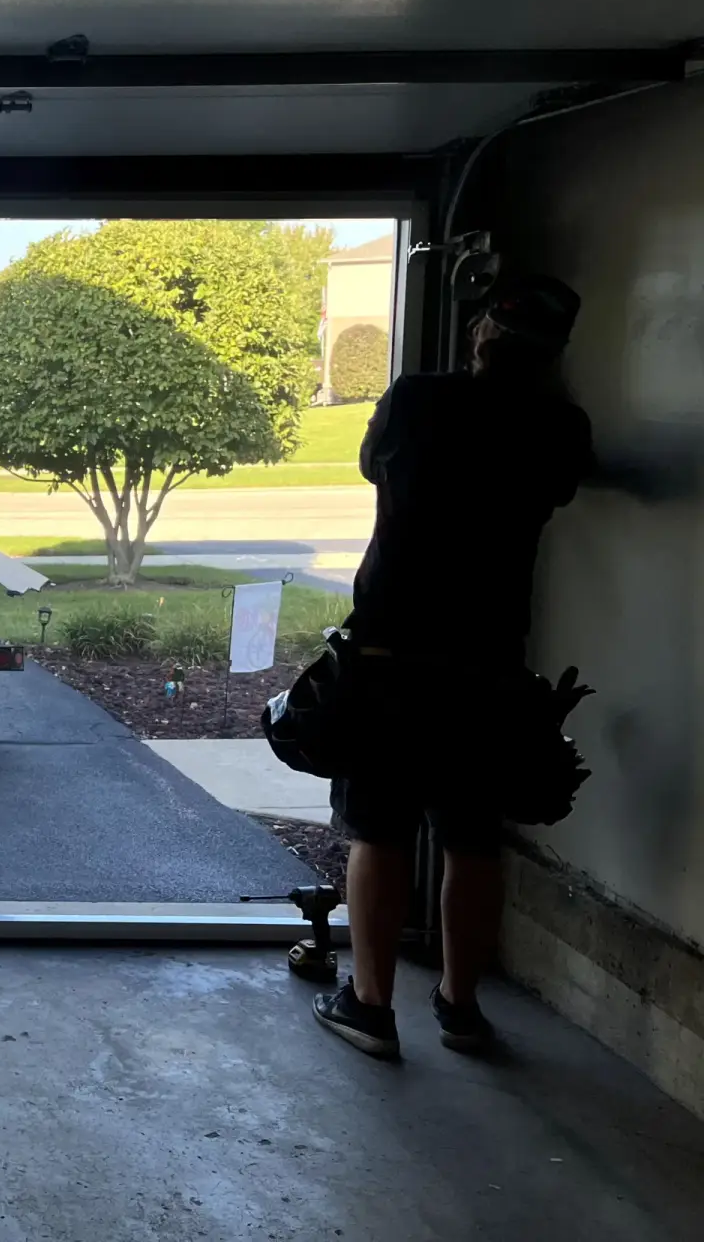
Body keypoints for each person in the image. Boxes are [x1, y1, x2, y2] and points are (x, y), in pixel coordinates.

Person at [313, 272, 592, 1060]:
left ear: (479, 333)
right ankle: (461, 1007)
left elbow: (373, 465)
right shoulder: (560, 427)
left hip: (392, 652)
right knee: (473, 837)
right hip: (489, 660)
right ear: (554, 353)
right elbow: (560, 486)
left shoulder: (417, 400)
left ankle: (371, 1008)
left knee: (379, 832)